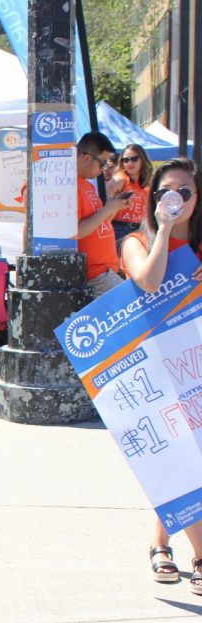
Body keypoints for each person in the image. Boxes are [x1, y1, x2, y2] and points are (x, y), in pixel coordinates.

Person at [118, 157, 202, 594]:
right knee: (177, 457)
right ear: (153, 197)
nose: (177, 199)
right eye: (168, 192)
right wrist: (165, 230)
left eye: (185, 193)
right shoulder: (135, 241)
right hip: (155, 366)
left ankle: (159, 542)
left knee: (183, 459)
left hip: (197, 362)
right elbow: (149, 282)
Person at [72, 131, 130, 297]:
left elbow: (99, 223)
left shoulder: (87, 185)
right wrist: (108, 209)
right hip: (94, 274)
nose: (103, 168)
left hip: (105, 271)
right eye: (102, 163)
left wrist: (115, 206)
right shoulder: (70, 186)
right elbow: (75, 231)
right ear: (86, 158)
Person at [108, 144, 152, 248]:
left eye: (134, 159)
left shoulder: (146, 186)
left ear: (142, 160)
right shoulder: (119, 179)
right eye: (125, 160)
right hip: (119, 230)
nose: (129, 163)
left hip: (140, 230)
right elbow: (102, 205)